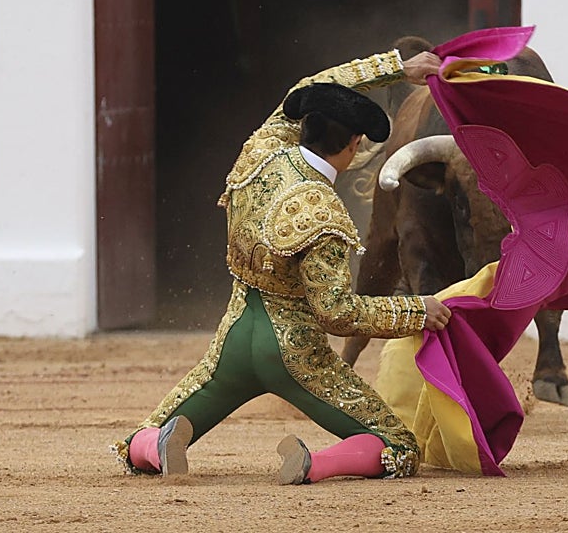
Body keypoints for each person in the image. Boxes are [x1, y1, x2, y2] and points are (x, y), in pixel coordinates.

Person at [113, 48, 452, 484]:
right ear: (355, 145)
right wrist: (416, 310)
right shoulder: (324, 212)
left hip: (236, 336)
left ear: (305, 123)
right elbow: (337, 313)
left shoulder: (262, 149)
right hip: (295, 354)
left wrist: (397, 69)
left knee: (146, 434)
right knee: (400, 447)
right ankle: (315, 464)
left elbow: (308, 88)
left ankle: (151, 447)